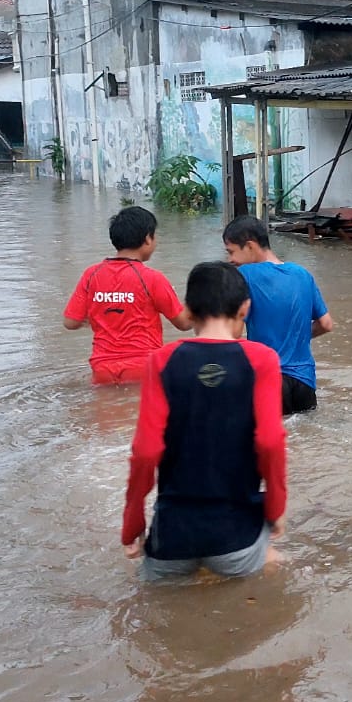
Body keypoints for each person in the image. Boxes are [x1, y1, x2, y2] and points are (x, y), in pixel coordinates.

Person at [122, 260, 287, 581]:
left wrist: (133, 523)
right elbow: (270, 441)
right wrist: (276, 510)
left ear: (188, 311)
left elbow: (145, 451)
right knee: (277, 568)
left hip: (171, 539)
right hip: (236, 538)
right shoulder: (262, 360)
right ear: (245, 308)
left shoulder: (161, 360)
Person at [63, 205, 193, 384]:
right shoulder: (152, 278)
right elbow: (184, 323)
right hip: (143, 367)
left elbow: (70, 322)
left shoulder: (91, 274)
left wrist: (97, 315)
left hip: (102, 369)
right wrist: (201, 299)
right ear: (148, 238)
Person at [223, 216, 333, 415]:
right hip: (305, 382)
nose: (231, 260)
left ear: (249, 246)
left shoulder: (244, 274)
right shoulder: (302, 274)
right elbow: (325, 324)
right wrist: (294, 336)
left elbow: (229, 330)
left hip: (269, 379)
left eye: (231, 252)